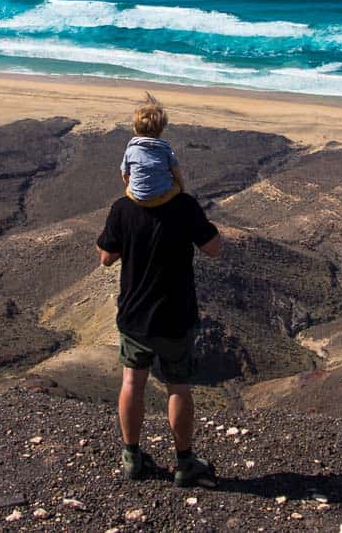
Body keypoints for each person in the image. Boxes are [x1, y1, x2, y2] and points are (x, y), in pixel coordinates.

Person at [97, 97, 223, 488]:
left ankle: (131, 457)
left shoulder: (122, 208)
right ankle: (184, 462)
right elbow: (214, 248)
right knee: (178, 386)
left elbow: (105, 258)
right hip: (175, 314)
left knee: (132, 382)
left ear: (130, 166)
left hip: (134, 314)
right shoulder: (183, 205)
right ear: (167, 164)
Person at [121, 93, 185, 207]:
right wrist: (181, 189)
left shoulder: (130, 150)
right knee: (175, 185)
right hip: (160, 198)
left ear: (135, 128)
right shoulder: (166, 150)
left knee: (129, 188)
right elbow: (176, 172)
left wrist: (132, 187)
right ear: (162, 129)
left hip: (137, 198)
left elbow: (125, 174)